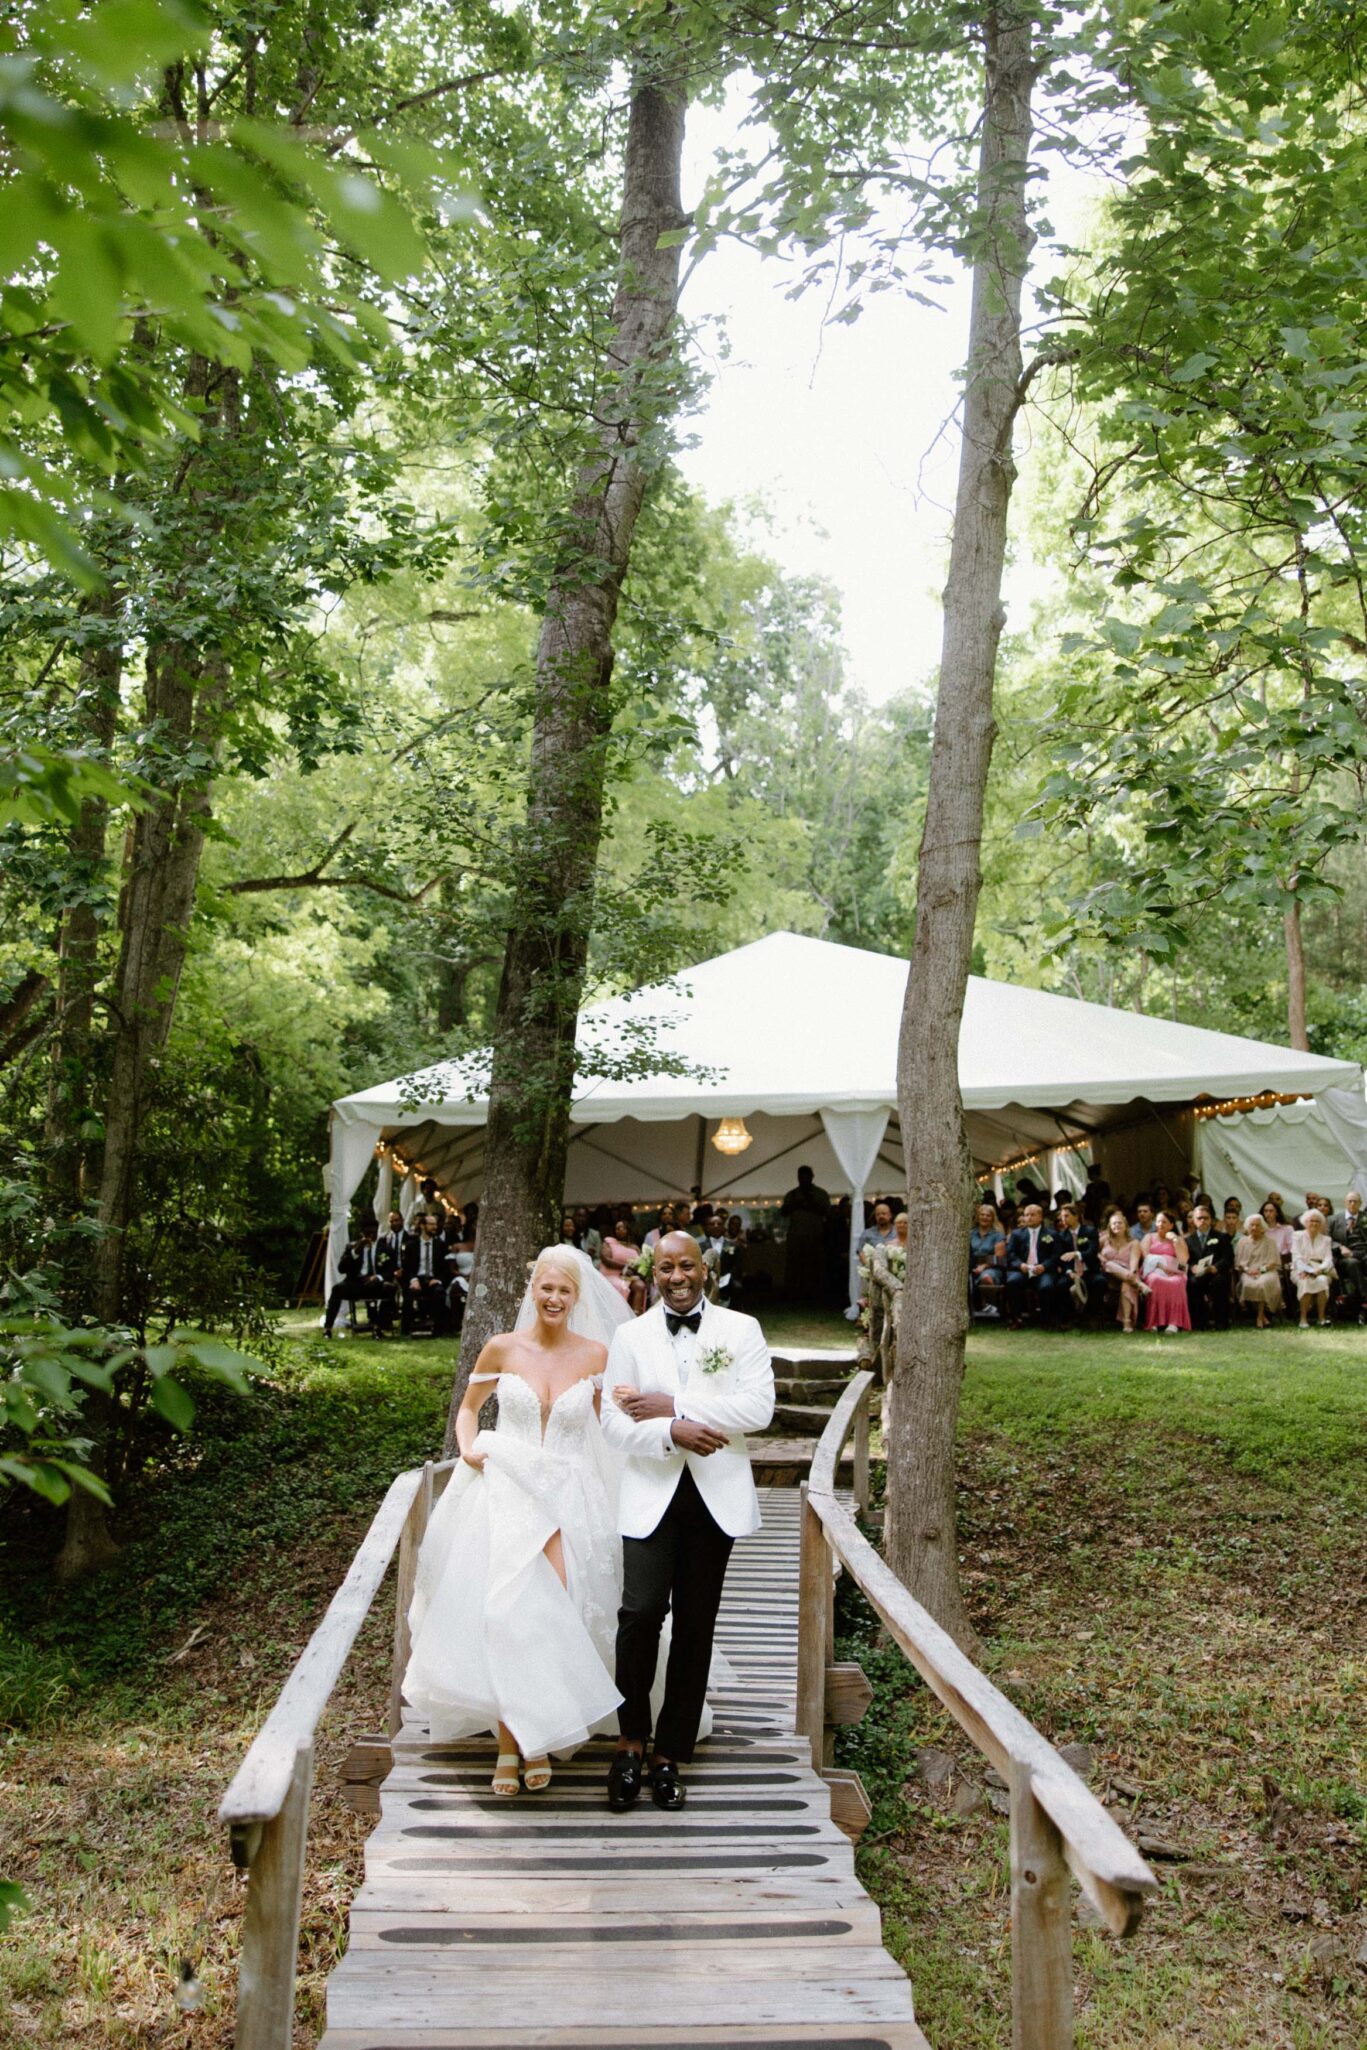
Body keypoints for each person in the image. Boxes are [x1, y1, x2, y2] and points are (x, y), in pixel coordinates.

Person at [404, 1245, 628, 1795]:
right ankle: (512, 1744)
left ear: (577, 1298)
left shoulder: (597, 1355)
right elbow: (467, 1409)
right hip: (508, 1485)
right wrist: (470, 1449)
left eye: (565, 1290)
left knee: (560, 1611)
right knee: (507, 1610)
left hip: (571, 1494)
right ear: (533, 1290)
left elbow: (610, 1433)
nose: (555, 1298)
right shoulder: (502, 1348)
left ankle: (542, 1734)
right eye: (547, 1288)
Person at [601, 1232, 775, 1813]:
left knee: (696, 1624)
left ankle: (670, 1755)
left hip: (714, 1497)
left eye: (688, 1266)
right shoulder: (630, 1335)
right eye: (668, 1268)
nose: (678, 1277)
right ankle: (630, 1742)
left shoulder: (740, 1329)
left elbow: (759, 1408)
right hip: (651, 1490)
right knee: (640, 1614)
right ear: (653, 1273)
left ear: (706, 1270)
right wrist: (668, 1431)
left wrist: (673, 1404)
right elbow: (613, 1422)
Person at [1003, 1202, 1067, 1325]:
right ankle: (1016, 1318)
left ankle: (1046, 1319)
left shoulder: (1051, 1234)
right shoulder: (1016, 1234)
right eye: (1026, 1215)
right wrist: (1020, 1265)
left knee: (1046, 1286)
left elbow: (1056, 1255)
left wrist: (1044, 1266)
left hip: (1043, 1270)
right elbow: (1011, 1254)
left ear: (1041, 1217)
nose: (1029, 1218)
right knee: (1012, 1282)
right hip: (1023, 1269)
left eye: (1032, 1215)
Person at [323, 1222, 388, 1337]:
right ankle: (328, 1328)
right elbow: (341, 1268)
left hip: (374, 1282)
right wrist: (355, 1252)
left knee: (388, 1288)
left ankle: (378, 1325)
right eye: (368, 1234)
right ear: (362, 1234)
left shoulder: (383, 1247)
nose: (371, 1237)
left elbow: (390, 1268)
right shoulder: (352, 1247)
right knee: (337, 1289)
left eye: (374, 1233)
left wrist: (378, 1277)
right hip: (355, 1282)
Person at [780, 1165, 830, 1305]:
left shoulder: (820, 1194)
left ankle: (815, 1295)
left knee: (814, 1266)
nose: (803, 1179)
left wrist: (811, 1202)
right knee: (794, 1267)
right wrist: (796, 1203)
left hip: (814, 1236)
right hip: (796, 1235)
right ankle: (794, 1295)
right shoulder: (792, 1194)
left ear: (812, 1177)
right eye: (801, 1176)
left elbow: (827, 1212)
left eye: (806, 1176)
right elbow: (783, 1212)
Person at [1139, 1212, 1190, 1332]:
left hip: (1174, 1271)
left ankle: (1174, 1322)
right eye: (1158, 1221)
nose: (1160, 1224)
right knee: (1155, 1280)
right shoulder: (1149, 1237)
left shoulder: (1179, 1239)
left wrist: (1175, 1240)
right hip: (1154, 1269)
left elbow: (1183, 1260)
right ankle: (1154, 1322)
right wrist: (1161, 1266)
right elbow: (1145, 1257)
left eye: (1164, 1222)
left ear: (1171, 1225)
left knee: (1177, 1282)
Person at [1185, 1203, 1233, 1331]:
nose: (1203, 1221)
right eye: (1199, 1218)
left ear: (1211, 1220)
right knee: (1192, 1283)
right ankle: (1199, 1322)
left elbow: (1228, 1258)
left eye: (1206, 1218)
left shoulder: (1221, 1237)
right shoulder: (1188, 1240)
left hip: (1216, 1272)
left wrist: (1215, 1267)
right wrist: (1191, 1268)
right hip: (1198, 1274)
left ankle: (1221, 1322)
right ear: (1194, 1221)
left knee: (1219, 1282)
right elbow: (1184, 1260)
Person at [402, 1212, 448, 1334]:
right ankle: (407, 1329)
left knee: (440, 1292)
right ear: (422, 1226)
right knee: (409, 1293)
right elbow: (406, 1267)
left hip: (433, 1279)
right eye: (431, 1224)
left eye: (435, 1224)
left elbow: (445, 1268)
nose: (435, 1227)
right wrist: (413, 1280)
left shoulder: (441, 1245)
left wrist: (438, 1279)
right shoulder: (411, 1245)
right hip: (418, 1279)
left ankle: (438, 1329)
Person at [1235, 1212, 1283, 1328]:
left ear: (1262, 1227)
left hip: (1267, 1271)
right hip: (1248, 1272)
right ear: (1247, 1227)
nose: (1254, 1228)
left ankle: (1259, 1317)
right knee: (1248, 1284)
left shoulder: (1270, 1242)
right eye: (1252, 1225)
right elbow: (1240, 1262)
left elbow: (1273, 1262)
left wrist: (1259, 1270)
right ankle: (1262, 1317)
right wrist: (1248, 1270)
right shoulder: (1242, 1242)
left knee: (1261, 1284)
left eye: (1257, 1225)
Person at [1290, 1208, 1335, 1328]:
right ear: (1305, 1222)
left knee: (1323, 1281)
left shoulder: (1326, 1239)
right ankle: (1303, 1319)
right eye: (1311, 1221)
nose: (1314, 1223)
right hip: (1300, 1270)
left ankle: (1321, 1318)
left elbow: (1328, 1259)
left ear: (1321, 1224)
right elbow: (1296, 1258)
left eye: (1317, 1221)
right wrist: (1309, 1271)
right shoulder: (1297, 1236)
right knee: (1305, 1281)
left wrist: (1319, 1270)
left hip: (1321, 1270)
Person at [1098, 1210, 1142, 1332]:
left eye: (1119, 1223)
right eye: (1114, 1224)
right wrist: (1100, 1257)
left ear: (1126, 1226)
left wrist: (1131, 1273)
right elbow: (1093, 1252)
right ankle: (1139, 1284)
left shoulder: (1134, 1242)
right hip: (1107, 1274)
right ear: (1110, 1227)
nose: (1116, 1225)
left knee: (1127, 1283)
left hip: (1127, 1273)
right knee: (1109, 1264)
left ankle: (1126, 1321)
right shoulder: (1104, 1240)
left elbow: (1134, 1263)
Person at [1328, 1190, 1367, 1318]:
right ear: (1345, 1203)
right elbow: (1327, 1239)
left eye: (1355, 1201)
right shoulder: (1333, 1219)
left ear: (1360, 1203)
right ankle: (1365, 1300)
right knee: (1353, 1263)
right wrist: (1339, 1247)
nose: (1352, 1203)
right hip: (1344, 1258)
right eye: (1349, 1201)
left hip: (1363, 1253)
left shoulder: (1365, 1217)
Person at [1056, 1203, 1098, 1315]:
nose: (1063, 1219)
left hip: (1089, 1269)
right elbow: (1061, 1257)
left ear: (1076, 1216)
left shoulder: (1090, 1231)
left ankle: (1093, 1315)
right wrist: (1069, 1272)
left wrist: (1076, 1253)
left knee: (1099, 1282)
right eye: (1062, 1217)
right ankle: (1070, 1315)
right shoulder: (1061, 1235)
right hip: (1072, 1271)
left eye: (1067, 1216)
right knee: (1061, 1285)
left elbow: (1092, 1251)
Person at [969, 1201, 1006, 1315]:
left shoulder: (998, 1235)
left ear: (992, 1218)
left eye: (988, 1215)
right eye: (982, 1214)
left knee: (986, 1277)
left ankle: (990, 1305)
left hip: (992, 1267)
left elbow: (999, 1258)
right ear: (978, 1216)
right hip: (972, 1265)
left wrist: (983, 1266)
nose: (984, 1217)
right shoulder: (970, 1233)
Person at [1260, 1195, 1294, 1262]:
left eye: (1271, 1211)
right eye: (1265, 1211)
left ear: (1277, 1213)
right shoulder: (1260, 1230)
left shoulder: (1287, 1229)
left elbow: (1293, 1249)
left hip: (1283, 1260)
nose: (1268, 1214)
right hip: (1264, 1261)